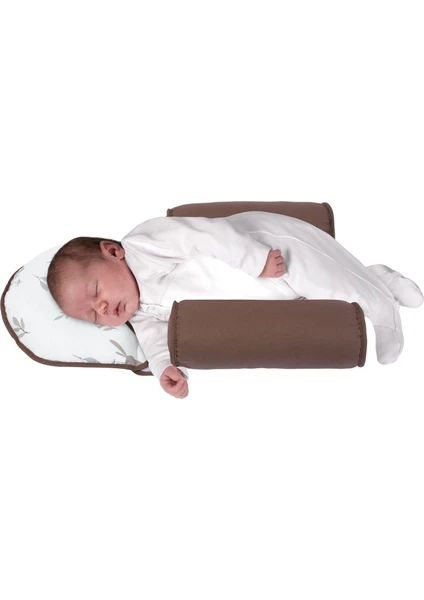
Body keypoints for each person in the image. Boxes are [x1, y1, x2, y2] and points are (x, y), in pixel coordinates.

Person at [46, 211, 423, 398]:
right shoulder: (139, 312)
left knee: (325, 279)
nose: (103, 309)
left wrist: (255, 260)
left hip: (270, 249)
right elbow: (156, 340)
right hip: (273, 293)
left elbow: (205, 234)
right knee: (326, 298)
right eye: (92, 315)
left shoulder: (144, 245)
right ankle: (380, 279)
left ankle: (382, 309)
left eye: (97, 292)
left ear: (113, 252)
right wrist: (165, 367)